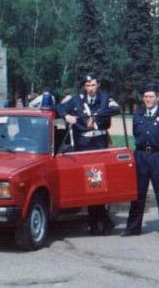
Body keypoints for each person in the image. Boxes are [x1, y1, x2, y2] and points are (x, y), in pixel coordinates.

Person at [57, 72, 120, 235]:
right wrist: (67, 115)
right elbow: (58, 107)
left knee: (98, 183)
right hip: (84, 145)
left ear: (98, 85)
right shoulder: (76, 100)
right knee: (90, 184)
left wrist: (97, 116)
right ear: (84, 86)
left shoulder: (105, 98)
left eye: (93, 85)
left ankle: (96, 222)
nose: (90, 89)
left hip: (99, 144)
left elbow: (116, 109)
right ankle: (102, 222)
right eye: (87, 85)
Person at [121, 83, 159, 240]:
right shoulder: (138, 115)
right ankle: (133, 227)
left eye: (151, 96)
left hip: (158, 157)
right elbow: (136, 134)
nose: (148, 99)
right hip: (140, 157)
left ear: (158, 98)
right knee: (138, 194)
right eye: (146, 96)